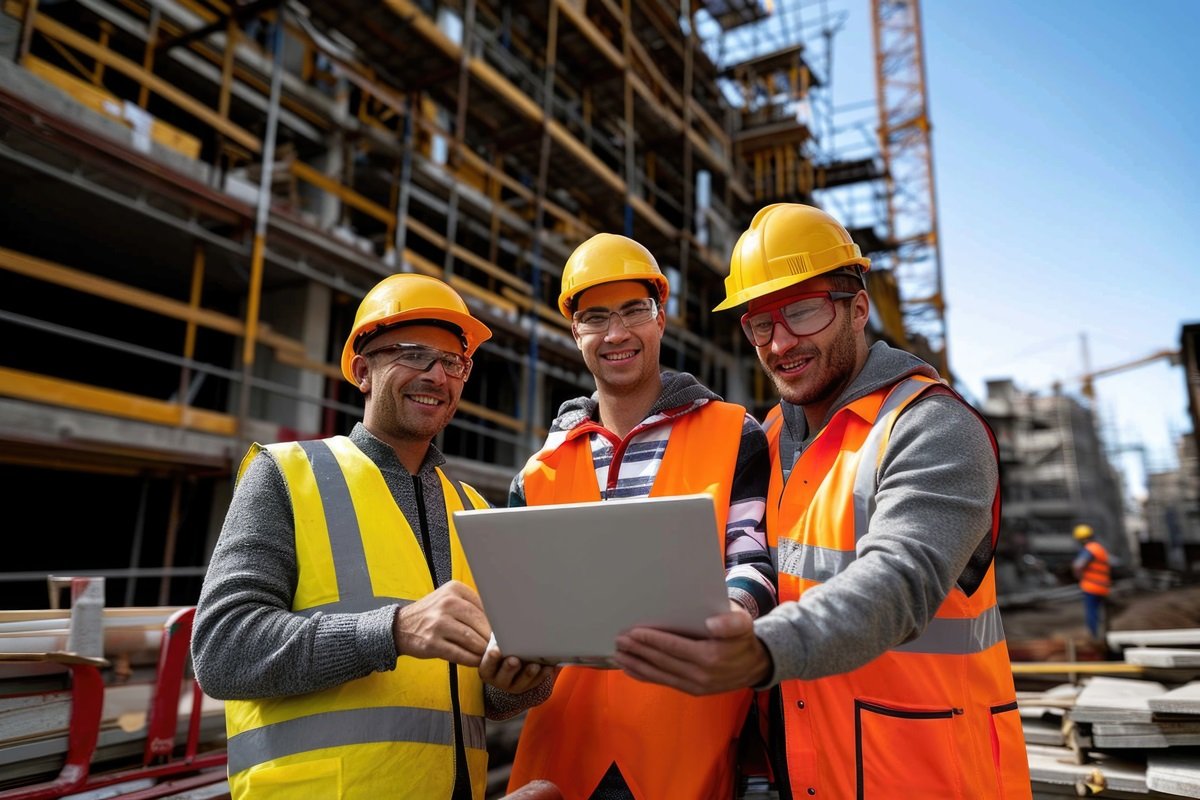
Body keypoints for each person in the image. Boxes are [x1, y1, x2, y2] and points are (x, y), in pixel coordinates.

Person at [613, 204, 1032, 798]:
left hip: (927, 778)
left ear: (858, 309)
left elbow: (902, 579)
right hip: (809, 777)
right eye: (759, 324)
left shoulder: (930, 426)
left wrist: (763, 649)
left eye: (803, 312)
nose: (780, 342)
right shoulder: (773, 440)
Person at [192, 274, 552, 800]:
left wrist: (517, 679)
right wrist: (393, 629)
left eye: (454, 362)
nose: (437, 375)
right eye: (413, 354)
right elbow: (222, 652)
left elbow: (485, 700)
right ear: (363, 370)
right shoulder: (288, 475)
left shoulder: (473, 510)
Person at [505, 233, 777, 799]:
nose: (618, 333)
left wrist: (726, 616)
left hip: (689, 746)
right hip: (563, 758)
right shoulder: (540, 472)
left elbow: (753, 563)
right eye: (597, 317)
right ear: (574, 331)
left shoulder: (735, 434)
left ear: (661, 317)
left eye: (635, 311)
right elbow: (516, 607)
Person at [1072, 523, 1111, 639]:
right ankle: (1103, 634)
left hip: (1091, 587)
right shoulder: (1099, 548)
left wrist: (1078, 577)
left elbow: (1078, 565)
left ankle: (1094, 636)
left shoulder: (1089, 549)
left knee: (1091, 612)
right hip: (1103, 587)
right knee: (1102, 613)